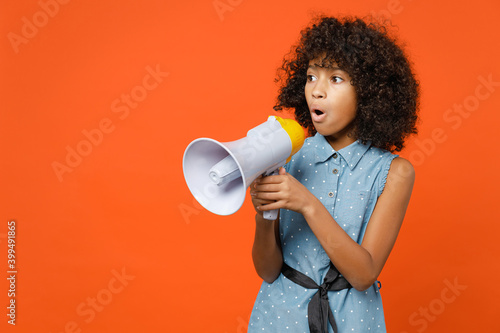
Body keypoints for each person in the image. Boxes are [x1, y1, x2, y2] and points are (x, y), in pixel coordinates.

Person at [248, 16, 419, 333]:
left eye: (335, 79)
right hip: (277, 318)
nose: (317, 91)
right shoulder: (290, 154)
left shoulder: (394, 172)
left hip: (353, 320)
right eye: (311, 76)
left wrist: (307, 204)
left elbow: (363, 274)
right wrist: (265, 215)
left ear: (370, 92)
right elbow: (268, 271)